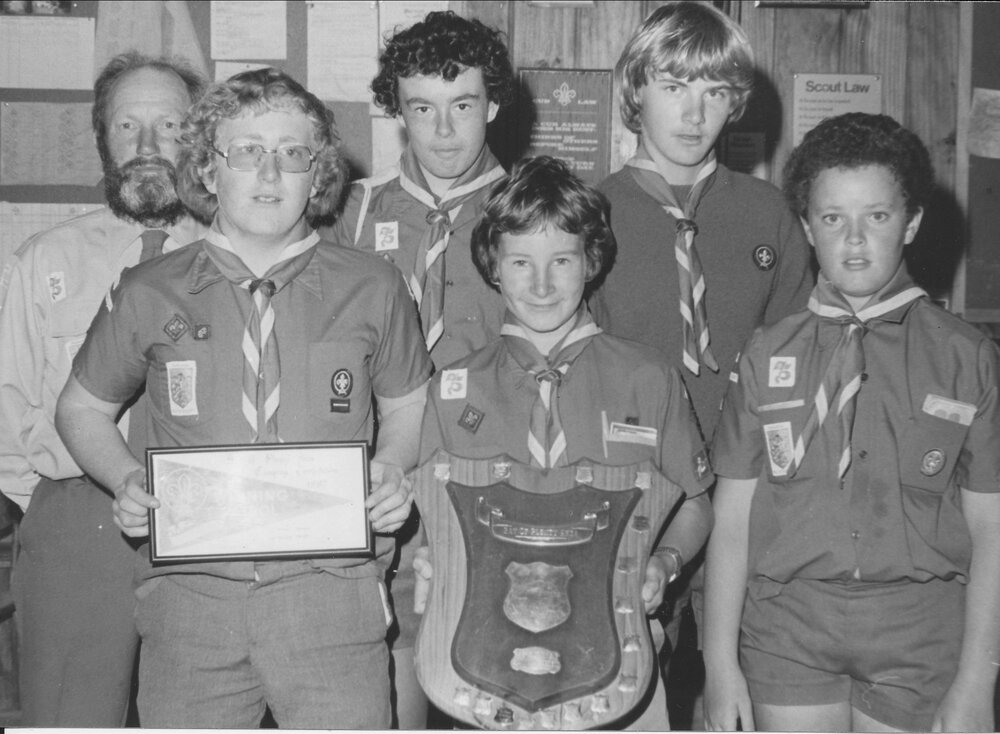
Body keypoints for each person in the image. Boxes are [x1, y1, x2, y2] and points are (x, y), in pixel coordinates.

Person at [54, 68, 433, 728]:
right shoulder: (149, 290)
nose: (268, 175)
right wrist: (123, 482)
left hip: (332, 601)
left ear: (319, 176)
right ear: (205, 170)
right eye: (245, 153)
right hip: (190, 610)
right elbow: (81, 408)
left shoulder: (374, 286)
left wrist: (394, 467)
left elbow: (408, 403)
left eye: (292, 155)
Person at [703, 112, 1000, 732]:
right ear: (808, 228)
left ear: (912, 221)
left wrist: (978, 678)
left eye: (878, 216)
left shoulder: (967, 356)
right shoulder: (765, 353)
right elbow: (732, 523)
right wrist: (718, 665)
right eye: (833, 218)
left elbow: (993, 530)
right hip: (788, 628)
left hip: (921, 633)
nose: (855, 240)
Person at [415, 156, 714, 729]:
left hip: (617, 664)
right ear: (493, 267)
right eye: (521, 262)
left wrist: (666, 563)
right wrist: (434, 561)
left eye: (562, 260)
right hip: (483, 673)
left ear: (591, 261)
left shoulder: (648, 377)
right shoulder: (453, 389)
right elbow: (439, 522)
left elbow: (697, 502)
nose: (543, 284)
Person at [588, 3, 813, 719]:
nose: (693, 113)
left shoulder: (769, 214)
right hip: (636, 499)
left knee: (735, 701)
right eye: (673, 85)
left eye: (714, 93)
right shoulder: (588, 214)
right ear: (635, 90)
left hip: (749, 502)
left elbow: (796, 371)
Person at [0, 51, 207, 726]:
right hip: (78, 527)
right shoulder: (44, 262)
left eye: (171, 126)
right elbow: (7, 418)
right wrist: (67, 508)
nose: (148, 148)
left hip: (210, 527)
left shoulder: (237, 259)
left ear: (200, 139)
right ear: (102, 140)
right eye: (127, 127)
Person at [323, 10, 516, 727]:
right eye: (422, 110)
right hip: (385, 482)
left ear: (493, 104)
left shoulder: (528, 209)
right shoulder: (352, 209)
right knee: (391, 659)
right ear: (397, 113)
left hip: (490, 476)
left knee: (493, 672)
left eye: (462, 106)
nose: (443, 131)